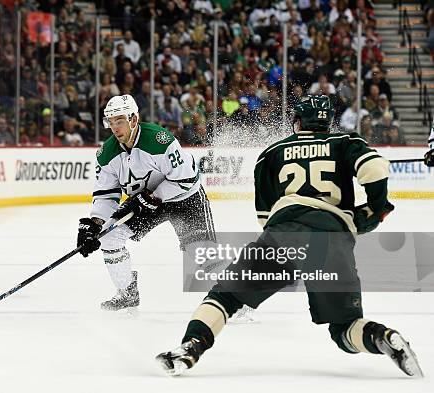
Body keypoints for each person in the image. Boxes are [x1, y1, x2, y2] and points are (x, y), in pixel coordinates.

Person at [155, 95, 423, 378]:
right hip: (334, 241)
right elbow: (375, 169)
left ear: (297, 121)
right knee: (345, 326)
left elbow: (265, 218)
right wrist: (375, 208)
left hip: (284, 235)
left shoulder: (272, 153)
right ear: (328, 122)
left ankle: (192, 346)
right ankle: (383, 337)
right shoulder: (345, 143)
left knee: (225, 297)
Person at [76, 94, 216, 311]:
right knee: (110, 237)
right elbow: (106, 195)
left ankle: (234, 297)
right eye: (110, 122)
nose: (114, 127)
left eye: (119, 121)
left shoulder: (160, 141)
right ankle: (127, 293)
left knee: (200, 252)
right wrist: (94, 225)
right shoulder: (106, 155)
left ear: (133, 120)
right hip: (145, 202)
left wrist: (150, 197)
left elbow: (186, 179)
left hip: (184, 198)